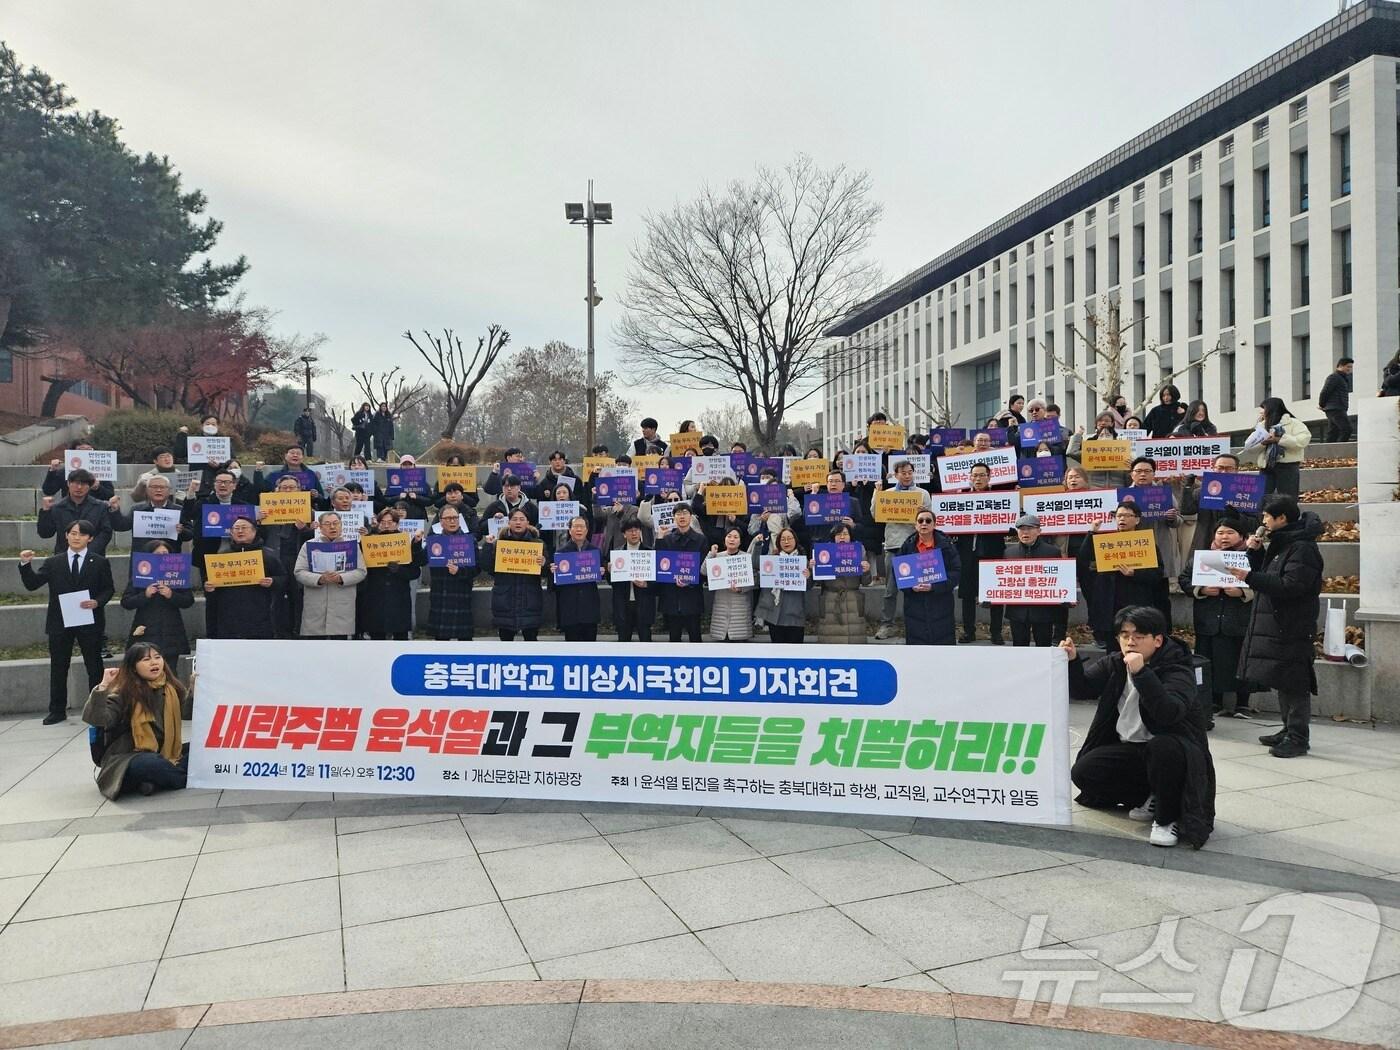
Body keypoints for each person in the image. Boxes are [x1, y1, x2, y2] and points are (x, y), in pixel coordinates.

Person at [1063, 606, 1215, 849]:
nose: (1130, 642)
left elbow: (1169, 713)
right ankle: (1149, 794)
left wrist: (1142, 673)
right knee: (1084, 772)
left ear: (1157, 640)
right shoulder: (1115, 663)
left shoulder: (1177, 669)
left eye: (1138, 636)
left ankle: (1167, 819)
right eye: (1124, 635)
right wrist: (1072, 662)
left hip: (1175, 751)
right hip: (1133, 749)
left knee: (1162, 747)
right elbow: (1083, 689)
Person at [1230, 496, 1324, 758]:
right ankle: (1287, 729)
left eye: (1267, 517)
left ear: (1282, 518)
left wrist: (1248, 577)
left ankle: (1298, 737)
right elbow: (1270, 574)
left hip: (1292, 624)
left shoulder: (1302, 548)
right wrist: (1256, 552)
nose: (1263, 521)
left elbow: (1291, 586)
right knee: (1283, 678)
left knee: (1295, 682)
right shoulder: (1285, 543)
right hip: (1278, 621)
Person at [18, 522, 115, 724]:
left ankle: (96, 709)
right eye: (72, 533)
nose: (76, 537)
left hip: (89, 620)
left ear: (90, 538)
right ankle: (57, 710)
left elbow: (108, 589)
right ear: (66, 536)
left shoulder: (98, 562)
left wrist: (97, 602)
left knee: (94, 665)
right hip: (60, 620)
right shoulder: (54, 562)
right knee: (59, 666)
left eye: (81, 534)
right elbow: (33, 584)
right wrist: (26, 565)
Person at [82, 644, 192, 800]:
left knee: (202, 750)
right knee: (152, 764)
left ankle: (154, 780)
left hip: (165, 752)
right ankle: (173, 777)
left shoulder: (170, 688)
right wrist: (103, 686)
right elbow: (98, 719)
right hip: (128, 757)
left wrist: (195, 689)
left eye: (157, 657)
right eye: (146, 659)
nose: (154, 663)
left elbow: (187, 713)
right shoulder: (123, 692)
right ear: (133, 667)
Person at [1178, 518, 1255, 724]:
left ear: (1241, 536)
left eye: (1230, 532)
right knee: (1209, 658)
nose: (1224, 537)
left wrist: (1242, 592)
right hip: (1208, 618)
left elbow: (1263, 581)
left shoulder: (1251, 557)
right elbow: (1184, 579)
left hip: (1237, 617)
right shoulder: (1203, 558)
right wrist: (1201, 590)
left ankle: (1242, 703)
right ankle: (1214, 701)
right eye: (1220, 532)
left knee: (1240, 659)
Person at [1079, 501, 1170, 648]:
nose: (1122, 519)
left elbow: (1157, 573)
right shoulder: (1107, 542)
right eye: (1119, 515)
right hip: (1110, 605)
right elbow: (1084, 558)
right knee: (1113, 652)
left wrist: (1135, 573)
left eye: (1127, 516)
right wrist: (1092, 532)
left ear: (1137, 519)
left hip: (1136, 603)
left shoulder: (1145, 543)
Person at [876, 459, 933, 640]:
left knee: (916, 590)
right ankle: (887, 624)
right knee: (890, 591)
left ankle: (917, 624)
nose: (907, 476)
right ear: (895, 475)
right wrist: (876, 495)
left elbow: (929, 519)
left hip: (915, 547)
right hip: (893, 546)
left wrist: (921, 513)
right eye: (903, 473)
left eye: (909, 472)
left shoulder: (922, 494)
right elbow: (875, 514)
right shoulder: (888, 493)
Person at [203, 516, 283, 639]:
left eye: (244, 528)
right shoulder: (222, 556)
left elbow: (283, 578)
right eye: (236, 528)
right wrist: (209, 588)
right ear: (231, 532)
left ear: (254, 531)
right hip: (229, 617)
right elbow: (211, 586)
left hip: (259, 615)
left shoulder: (267, 555)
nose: (240, 531)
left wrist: (273, 581)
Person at [955, 462, 1006, 645]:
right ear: (969, 478)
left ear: (989, 477)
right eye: (974, 475)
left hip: (993, 551)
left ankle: (996, 632)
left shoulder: (1000, 499)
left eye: (982, 475)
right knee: (967, 594)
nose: (978, 479)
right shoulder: (960, 499)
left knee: (995, 594)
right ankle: (969, 631)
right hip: (967, 552)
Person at [294, 511, 367, 639]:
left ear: (341, 525)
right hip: (316, 604)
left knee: (339, 649)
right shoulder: (309, 545)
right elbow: (299, 572)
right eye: (327, 524)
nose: (332, 527)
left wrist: (341, 578)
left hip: (342, 604)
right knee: (315, 649)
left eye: (335, 523)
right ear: (320, 528)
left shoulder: (352, 546)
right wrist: (319, 579)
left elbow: (361, 572)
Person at [479, 508, 544, 641]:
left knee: (531, 642)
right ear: (508, 523)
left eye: (522, 519)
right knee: (506, 643)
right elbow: (487, 567)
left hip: (529, 599)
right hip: (505, 599)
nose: (518, 523)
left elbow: (546, 572)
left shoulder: (538, 544)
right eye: (514, 519)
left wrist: (544, 563)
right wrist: (488, 546)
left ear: (528, 522)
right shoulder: (499, 544)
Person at [120, 540, 194, 658]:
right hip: (146, 627)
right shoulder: (140, 574)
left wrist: (171, 595)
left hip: (172, 628)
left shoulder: (177, 574)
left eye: (165, 553)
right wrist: (145, 595)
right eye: (157, 554)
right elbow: (126, 602)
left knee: (170, 669)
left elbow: (188, 600)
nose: (162, 556)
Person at [359, 507, 424, 639]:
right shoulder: (369, 541)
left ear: (397, 523)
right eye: (383, 522)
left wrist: (399, 569)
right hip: (375, 597)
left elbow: (415, 572)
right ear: (378, 523)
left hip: (399, 597)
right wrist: (364, 541)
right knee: (377, 637)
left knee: (400, 638)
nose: (387, 525)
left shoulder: (405, 542)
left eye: (391, 522)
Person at [1001, 514, 1065, 648]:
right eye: (1021, 529)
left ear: (1039, 531)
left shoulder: (1052, 552)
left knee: (1043, 646)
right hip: (1017, 611)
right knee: (1019, 647)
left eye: (1029, 528)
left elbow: (1060, 579)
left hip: (1043, 611)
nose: (1025, 532)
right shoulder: (1009, 553)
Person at [897, 511, 960, 645]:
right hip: (915, 605)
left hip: (941, 604)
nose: (924, 524)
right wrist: (910, 586)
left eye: (928, 521)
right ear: (915, 525)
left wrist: (934, 587)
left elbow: (955, 572)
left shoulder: (946, 546)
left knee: (943, 650)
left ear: (934, 524)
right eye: (920, 521)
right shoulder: (907, 546)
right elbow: (898, 573)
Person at [1179, 453, 1255, 552]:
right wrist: (1187, 488)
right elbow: (1187, 511)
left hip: (1238, 549)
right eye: (1220, 468)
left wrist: (1237, 516)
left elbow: (1255, 523)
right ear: (1213, 468)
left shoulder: (1248, 494)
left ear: (1236, 470)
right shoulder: (1202, 491)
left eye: (1229, 468)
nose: (1223, 472)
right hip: (1205, 544)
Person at [423, 504, 477, 641]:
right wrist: (417, 544)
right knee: (441, 643)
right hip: (440, 595)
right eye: (448, 518)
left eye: (455, 518)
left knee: (465, 644)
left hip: (461, 595)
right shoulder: (434, 541)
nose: (452, 521)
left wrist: (460, 570)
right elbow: (420, 561)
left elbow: (477, 569)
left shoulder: (469, 540)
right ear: (440, 521)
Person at [753, 527, 814, 643]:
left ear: (795, 541)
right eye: (783, 539)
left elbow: (809, 586)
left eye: (789, 538)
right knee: (777, 652)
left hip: (794, 615)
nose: (786, 542)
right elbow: (756, 567)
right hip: (774, 613)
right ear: (778, 542)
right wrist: (758, 546)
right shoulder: (771, 561)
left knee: (795, 653)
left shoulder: (802, 562)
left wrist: (808, 576)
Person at [656, 503, 707, 642]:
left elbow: (703, 569)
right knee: (674, 638)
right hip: (672, 596)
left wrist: (689, 581)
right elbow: (661, 566)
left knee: (695, 636)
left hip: (692, 594)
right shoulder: (667, 539)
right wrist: (659, 539)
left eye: (685, 513)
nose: (682, 516)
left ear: (691, 516)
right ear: (674, 518)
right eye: (678, 514)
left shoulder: (700, 539)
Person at [813, 522, 871, 644]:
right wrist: (813, 568)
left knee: (855, 644)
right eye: (839, 534)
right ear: (833, 537)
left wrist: (866, 571)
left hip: (853, 601)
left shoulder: (859, 550)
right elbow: (817, 581)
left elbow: (866, 581)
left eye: (845, 534)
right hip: (831, 600)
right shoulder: (824, 552)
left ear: (851, 536)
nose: (842, 537)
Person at [1242, 397, 1311, 497]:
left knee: (1288, 498)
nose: (1261, 412)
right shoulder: (1261, 426)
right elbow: (1249, 446)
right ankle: (1263, 513)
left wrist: (1279, 439)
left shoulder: (1294, 423)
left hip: (1288, 466)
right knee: (1262, 498)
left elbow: (1302, 441)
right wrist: (1263, 443)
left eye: (1263, 408)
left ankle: (1286, 513)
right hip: (1266, 467)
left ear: (1270, 409)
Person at [37, 469, 114, 556]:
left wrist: (88, 552)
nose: (79, 487)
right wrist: (45, 512)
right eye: (76, 483)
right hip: (64, 558)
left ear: (89, 486)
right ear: (68, 484)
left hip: (93, 557)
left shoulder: (100, 507)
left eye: (84, 484)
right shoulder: (58, 508)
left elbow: (106, 532)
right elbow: (45, 533)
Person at [549, 515, 602, 641]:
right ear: (570, 530)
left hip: (590, 609)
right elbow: (553, 587)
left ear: (587, 530)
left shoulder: (595, 552)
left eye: (582, 526)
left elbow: (603, 576)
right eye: (575, 526)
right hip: (570, 610)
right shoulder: (561, 553)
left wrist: (603, 571)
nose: (579, 529)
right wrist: (553, 574)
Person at [111, 474, 190, 552]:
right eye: (154, 487)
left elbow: (190, 534)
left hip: (168, 559)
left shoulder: (179, 510)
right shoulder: (137, 510)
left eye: (162, 487)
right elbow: (120, 526)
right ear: (147, 490)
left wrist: (182, 531)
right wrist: (115, 510)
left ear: (169, 491)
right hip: (143, 559)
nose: (158, 490)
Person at [702, 527, 755, 641]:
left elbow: (754, 580)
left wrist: (741, 589)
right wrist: (711, 555)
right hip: (721, 606)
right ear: (724, 539)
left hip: (740, 608)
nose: (732, 539)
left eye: (736, 537)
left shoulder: (746, 558)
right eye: (729, 536)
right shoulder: (717, 556)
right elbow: (703, 572)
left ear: (740, 541)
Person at [611, 517, 657, 642]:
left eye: (637, 530)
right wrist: (610, 572)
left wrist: (646, 584)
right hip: (623, 604)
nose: (634, 533)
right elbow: (613, 583)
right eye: (630, 530)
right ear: (624, 534)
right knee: (623, 643)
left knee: (646, 642)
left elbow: (657, 582)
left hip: (644, 603)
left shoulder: (649, 552)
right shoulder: (617, 554)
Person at [42, 443, 115, 502]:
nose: (85, 453)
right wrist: (52, 471)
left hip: (95, 513)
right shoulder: (64, 472)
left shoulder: (100, 471)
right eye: (81, 450)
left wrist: (98, 488)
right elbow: (48, 491)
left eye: (89, 450)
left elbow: (110, 496)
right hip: (69, 511)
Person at [1318, 356, 1354, 442]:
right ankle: (1339, 452)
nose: (1350, 369)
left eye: (1351, 367)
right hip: (1335, 408)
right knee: (1347, 429)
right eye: (1348, 366)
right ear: (1341, 366)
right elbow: (1325, 392)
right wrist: (1321, 404)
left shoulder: (1342, 378)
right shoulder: (1334, 377)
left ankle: (1327, 453)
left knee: (1333, 432)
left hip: (1337, 408)